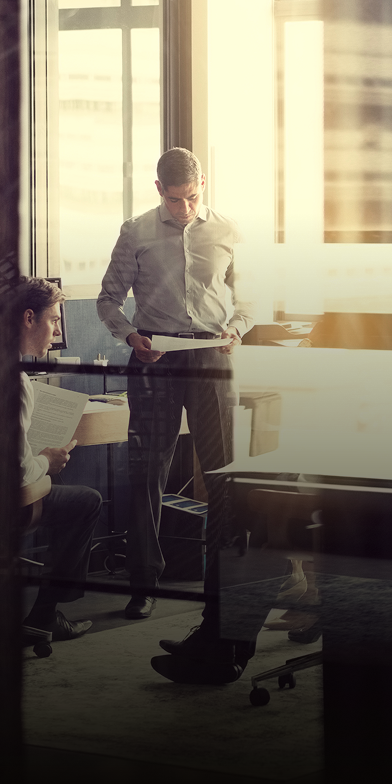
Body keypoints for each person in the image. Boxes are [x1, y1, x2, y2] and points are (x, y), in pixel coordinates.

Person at [97, 147, 253, 683]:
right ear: (157, 188)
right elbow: (108, 300)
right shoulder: (136, 231)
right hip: (155, 358)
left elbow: (248, 296)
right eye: (173, 198)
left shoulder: (228, 230)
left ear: (202, 184)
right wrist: (130, 336)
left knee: (224, 478)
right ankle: (145, 585)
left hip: (211, 354)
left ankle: (220, 597)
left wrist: (240, 329)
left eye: (192, 197)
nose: (184, 209)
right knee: (145, 474)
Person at [18, 277, 102, 640]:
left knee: (62, 487)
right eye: (53, 320)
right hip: (3, 501)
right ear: (28, 318)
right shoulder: (15, 382)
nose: (57, 330)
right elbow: (19, 472)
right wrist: (46, 462)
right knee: (87, 501)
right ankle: (45, 612)